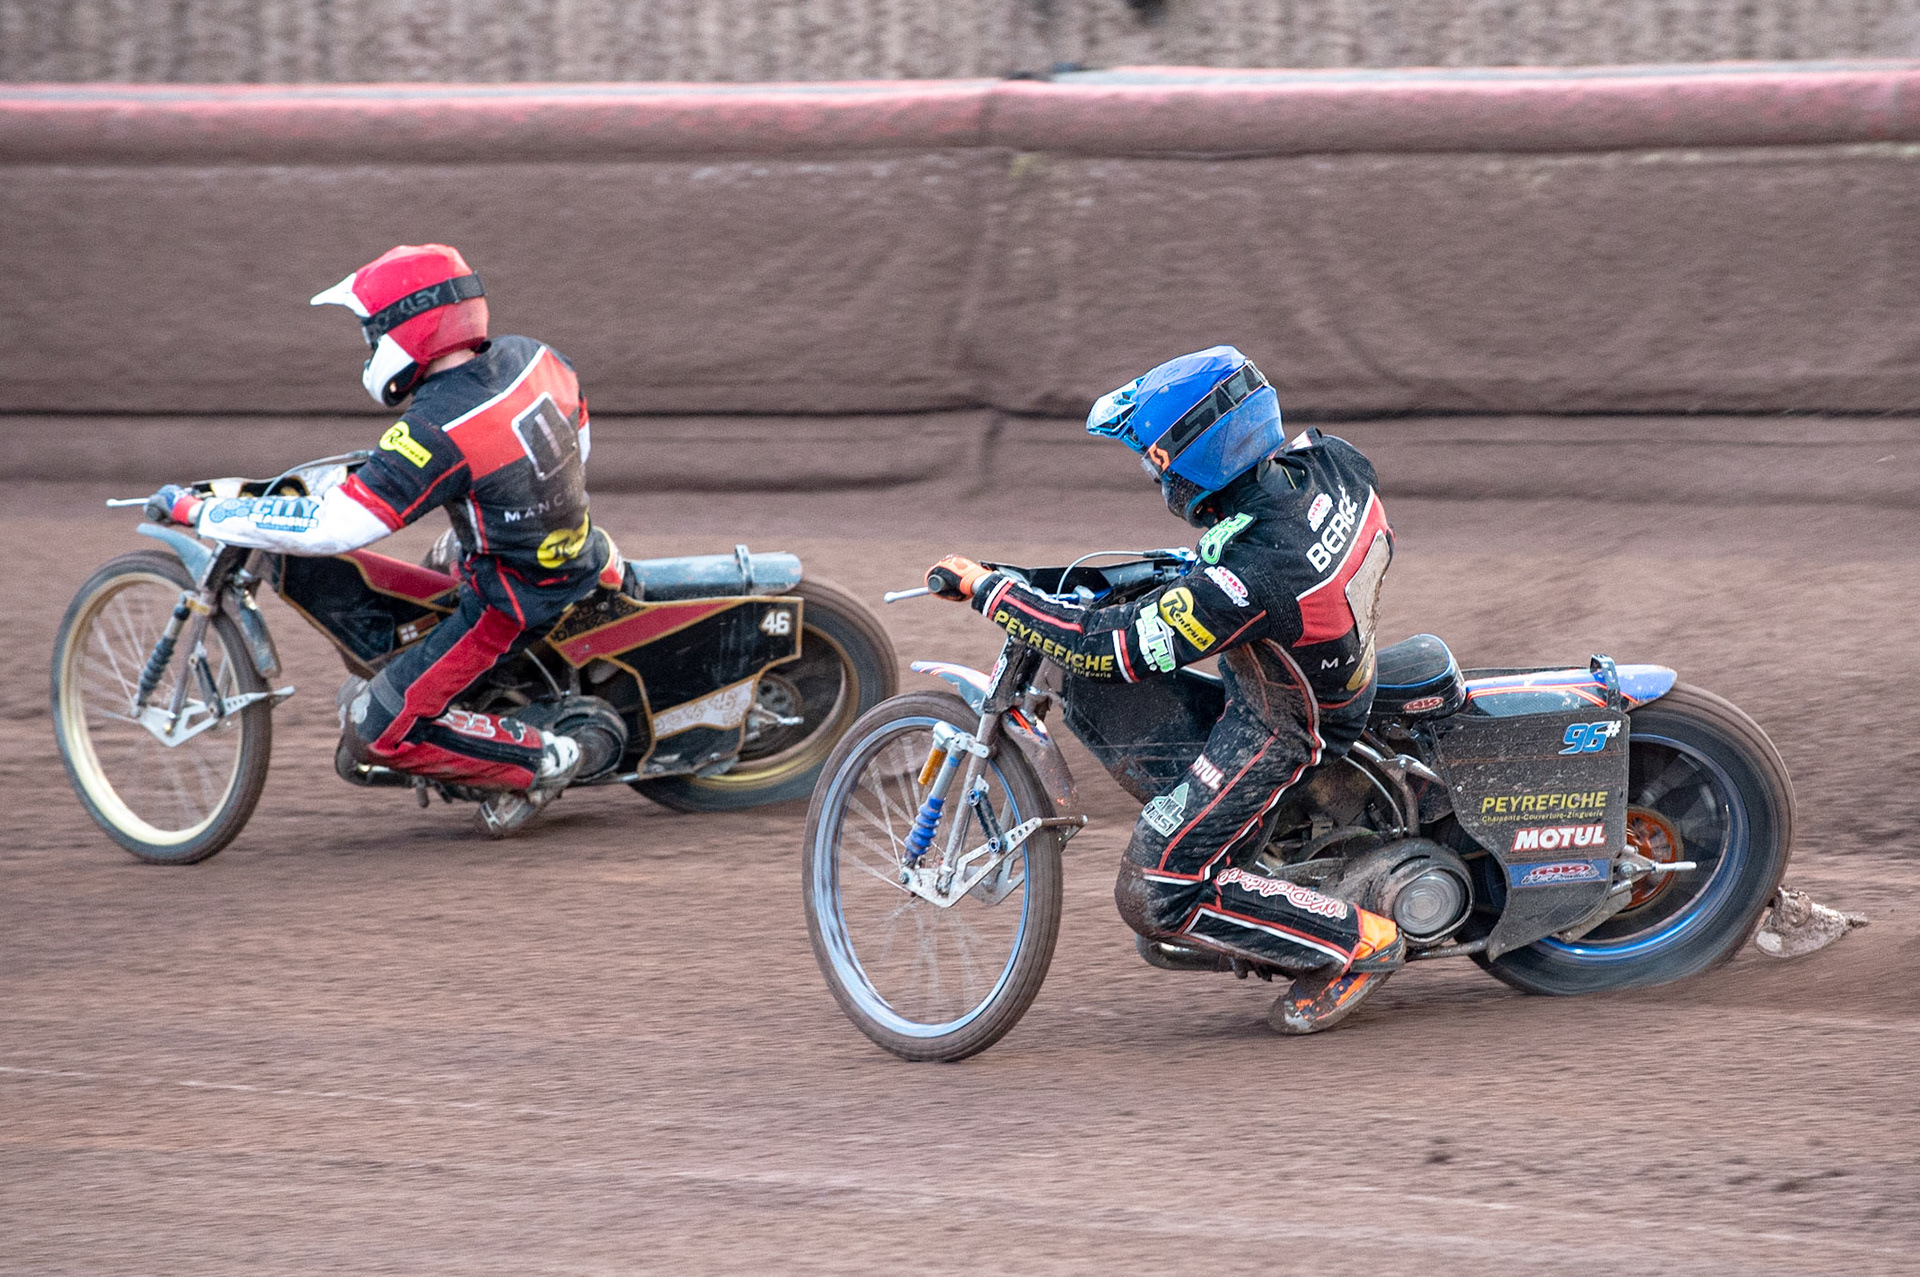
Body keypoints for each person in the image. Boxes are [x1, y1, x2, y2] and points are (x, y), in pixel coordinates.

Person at [924, 346, 1405, 1033]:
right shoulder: (1335, 463)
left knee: (1152, 890)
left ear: (1197, 456)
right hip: (1321, 669)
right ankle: (1240, 854)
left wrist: (990, 590)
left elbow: (1107, 646)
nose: (1157, 476)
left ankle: (1357, 942)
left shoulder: (1248, 577)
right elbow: (1264, 550)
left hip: (1287, 728)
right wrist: (1197, 568)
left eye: (1157, 459)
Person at [144, 243, 606, 836]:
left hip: (512, 600)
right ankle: (485, 703)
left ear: (405, 330)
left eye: (372, 330)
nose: (369, 343)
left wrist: (201, 511)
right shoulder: (538, 357)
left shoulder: (435, 429)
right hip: (568, 549)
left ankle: (547, 760)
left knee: (377, 733)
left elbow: (337, 527)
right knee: (424, 591)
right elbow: (577, 444)